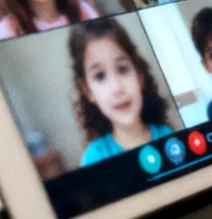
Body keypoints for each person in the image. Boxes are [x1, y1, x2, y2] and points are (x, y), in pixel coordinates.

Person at [71, 18, 176, 166]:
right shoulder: (94, 158)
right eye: (100, 76)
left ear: (139, 76)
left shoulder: (167, 136)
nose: (117, 88)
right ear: (88, 91)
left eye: (122, 69)